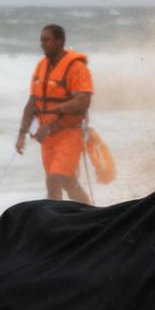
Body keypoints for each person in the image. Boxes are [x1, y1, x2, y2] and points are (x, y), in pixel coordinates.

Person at [16, 24, 93, 202]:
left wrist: (56, 111)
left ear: (60, 41)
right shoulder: (41, 66)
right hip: (47, 137)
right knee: (68, 182)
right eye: (41, 40)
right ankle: (90, 213)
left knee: (54, 180)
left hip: (70, 133)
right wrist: (22, 134)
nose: (42, 44)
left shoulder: (77, 67)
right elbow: (32, 103)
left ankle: (54, 225)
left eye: (46, 40)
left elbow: (83, 101)